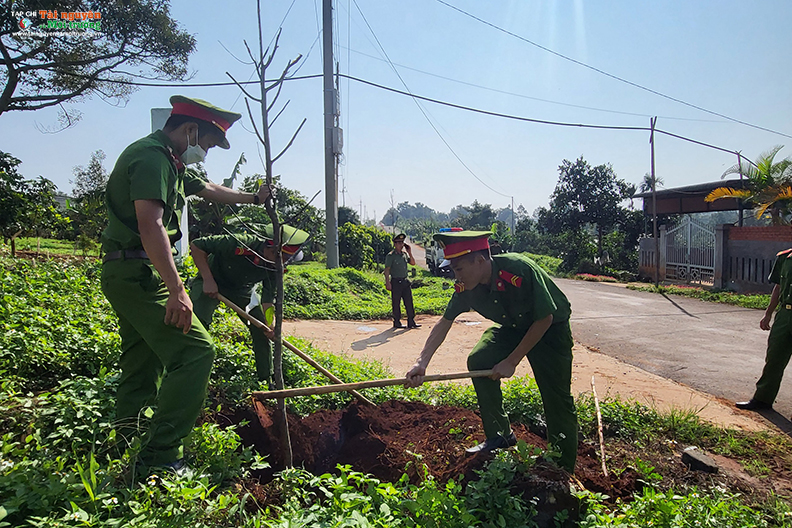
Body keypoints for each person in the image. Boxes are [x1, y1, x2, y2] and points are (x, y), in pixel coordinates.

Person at [100, 95, 271, 476]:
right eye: (207, 143)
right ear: (191, 130)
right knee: (196, 352)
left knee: (142, 361)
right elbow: (151, 225)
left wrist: (254, 199)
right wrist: (177, 291)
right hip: (139, 273)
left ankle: (125, 441)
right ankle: (161, 456)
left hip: (129, 273)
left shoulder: (172, 162)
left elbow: (209, 188)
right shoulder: (152, 158)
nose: (205, 152)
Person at [404, 231, 577, 472]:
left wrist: (512, 361)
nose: (456, 275)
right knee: (480, 360)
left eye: (459, 268)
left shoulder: (519, 270)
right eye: (453, 269)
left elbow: (544, 318)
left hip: (549, 330)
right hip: (513, 327)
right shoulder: (466, 287)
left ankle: (562, 465)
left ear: (479, 260)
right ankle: (500, 435)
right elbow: (445, 321)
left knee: (556, 396)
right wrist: (422, 362)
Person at [189, 224, 309, 386]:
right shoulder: (241, 242)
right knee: (197, 325)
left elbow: (267, 299)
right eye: (284, 258)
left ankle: (265, 380)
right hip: (211, 281)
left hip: (242, 290)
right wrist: (208, 279)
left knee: (261, 330)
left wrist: (269, 324)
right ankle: (192, 375)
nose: (285, 263)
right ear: (273, 250)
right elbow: (197, 245)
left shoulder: (276, 268)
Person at [736, 248, 792, 412]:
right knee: (774, 358)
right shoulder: (784, 258)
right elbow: (778, 286)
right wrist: (768, 314)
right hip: (784, 315)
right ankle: (762, 399)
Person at [384, 233, 421, 329]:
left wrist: (410, 252)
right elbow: (387, 270)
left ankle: (411, 321)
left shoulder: (404, 255)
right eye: (399, 243)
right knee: (396, 303)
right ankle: (397, 321)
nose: (401, 245)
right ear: (395, 244)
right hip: (396, 282)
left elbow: (413, 263)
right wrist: (387, 282)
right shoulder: (391, 256)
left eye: (402, 243)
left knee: (409, 302)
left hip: (405, 281)